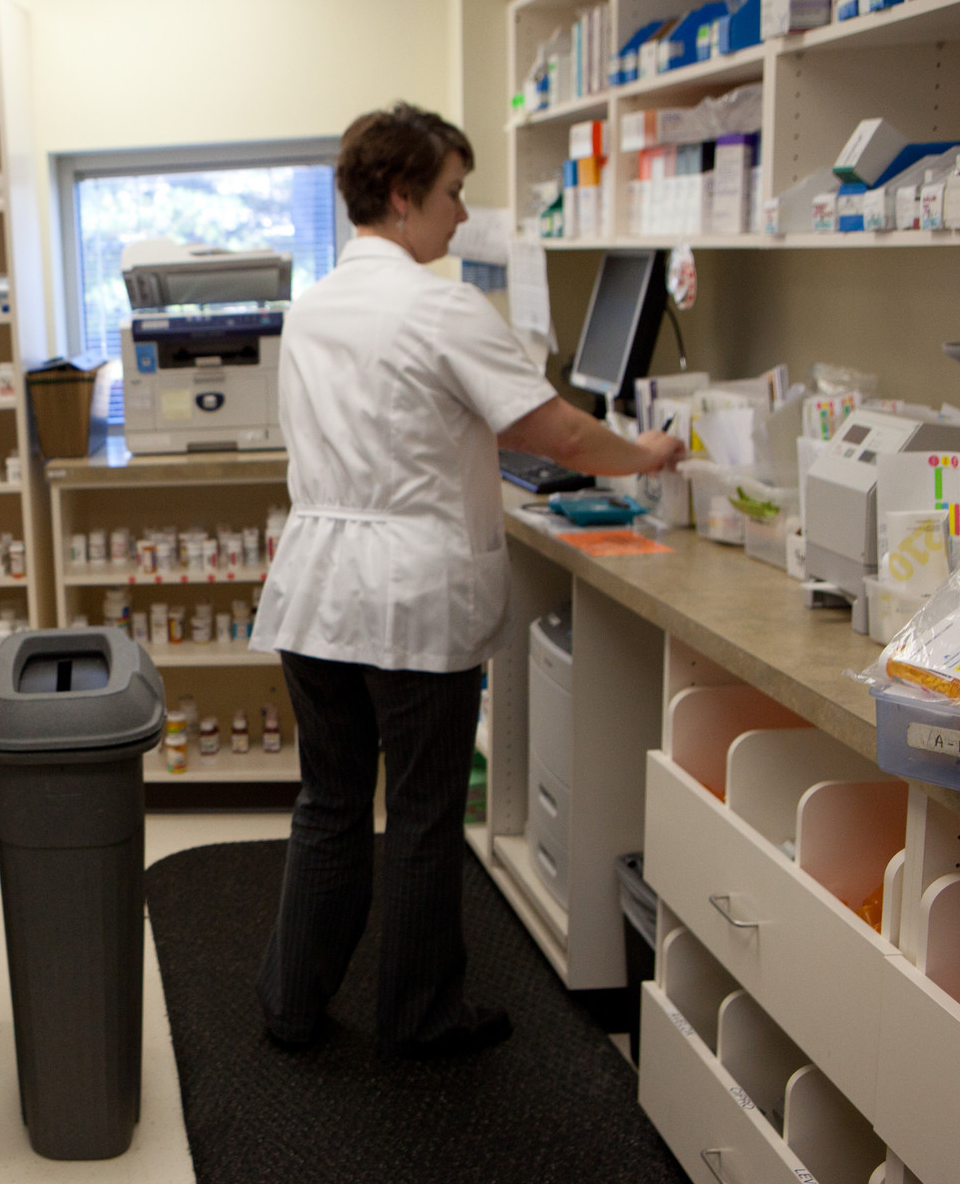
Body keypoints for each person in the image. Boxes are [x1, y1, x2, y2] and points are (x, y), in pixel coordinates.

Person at [249, 103, 685, 1057]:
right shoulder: (438, 305)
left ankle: (290, 1004)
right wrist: (645, 453)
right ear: (403, 195)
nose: (462, 214)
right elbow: (554, 432)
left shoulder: (313, 304)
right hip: (408, 592)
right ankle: (416, 1016)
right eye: (452, 193)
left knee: (328, 800)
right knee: (420, 809)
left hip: (315, 589)